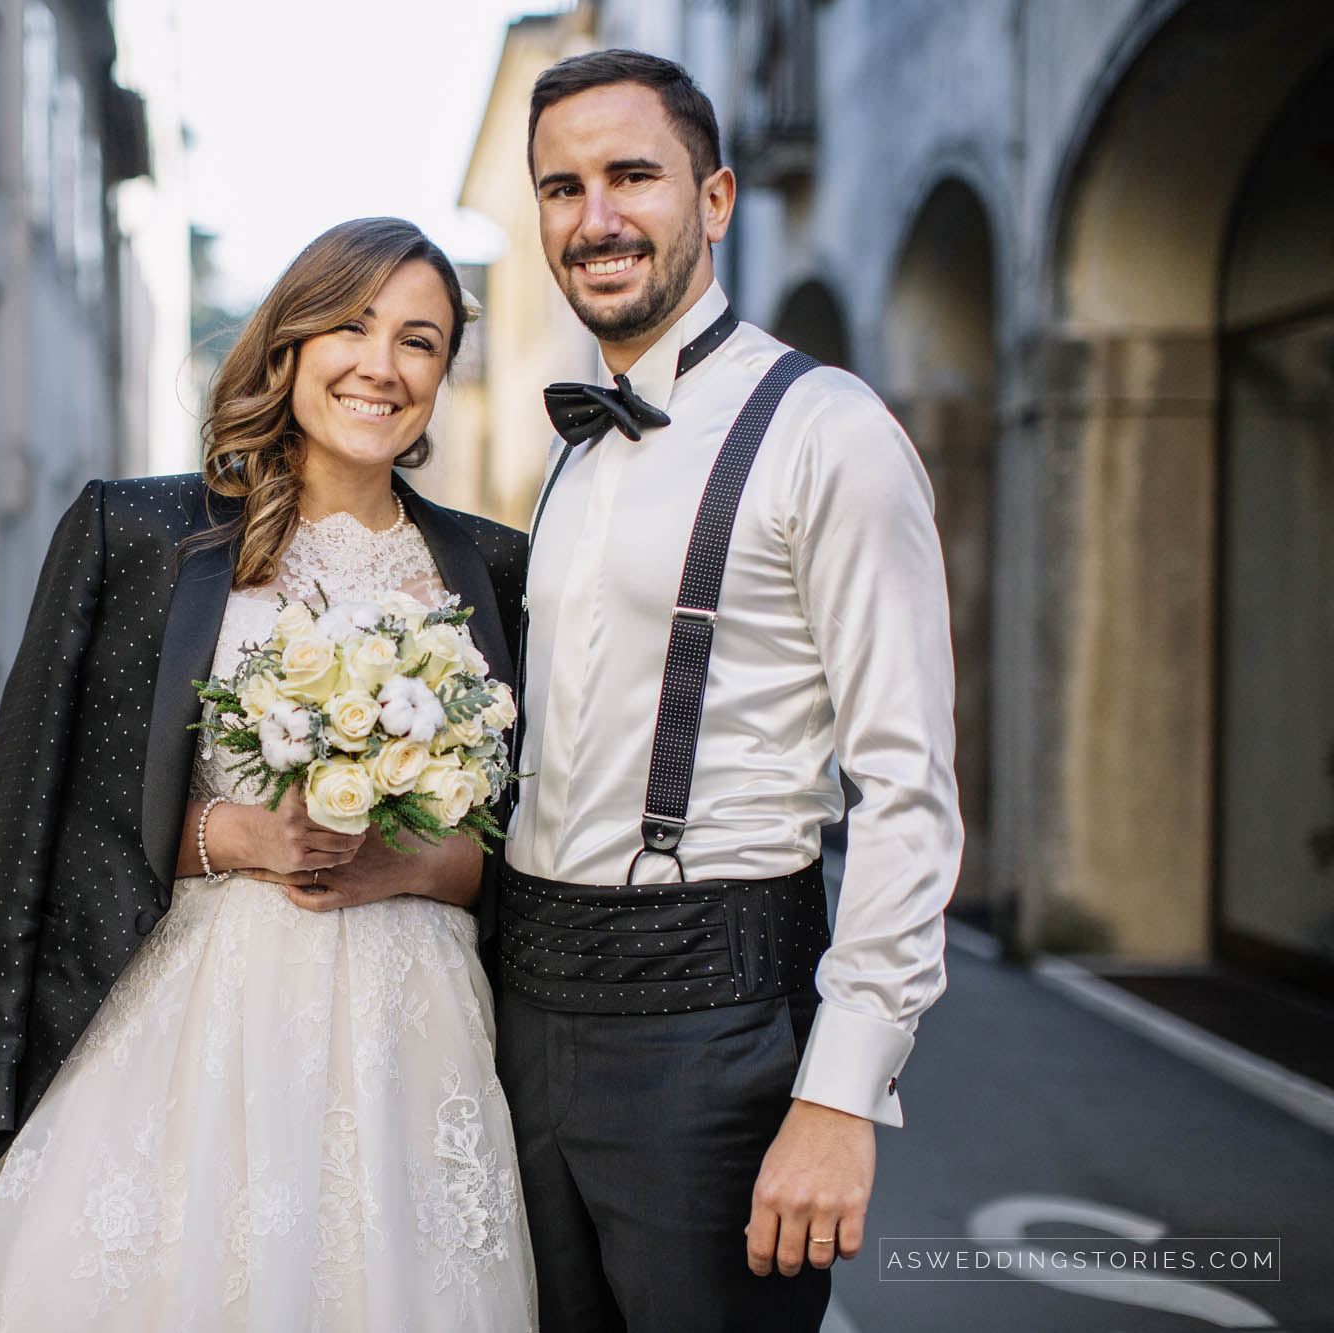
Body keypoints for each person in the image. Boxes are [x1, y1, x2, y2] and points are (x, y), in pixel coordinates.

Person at [0, 217, 538, 1330]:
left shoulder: (492, 568)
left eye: (419, 341)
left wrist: (408, 863)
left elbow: (516, 842)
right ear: (289, 341)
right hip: (189, 1017)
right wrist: (237, 836)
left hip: (413, 1038)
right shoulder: (136, 531)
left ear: (443, 375)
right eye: (351, 324)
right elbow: (35, 812)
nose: (380, 365)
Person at [495, 50, 962, 1332]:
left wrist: (838, 1094)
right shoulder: (573, 451)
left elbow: (907, 786)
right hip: (520, 1014)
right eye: (560, 186)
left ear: (712, 198)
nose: (592, 218)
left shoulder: (829, 430)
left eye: (629, 176)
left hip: (713, 1027)